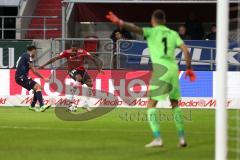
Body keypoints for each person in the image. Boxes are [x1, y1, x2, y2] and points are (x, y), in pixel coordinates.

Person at [106, 10, 196, 148]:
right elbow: (186, 50)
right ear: (164, 21)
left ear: (153, 21)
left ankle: (158, 138)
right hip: (173, 70)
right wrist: (189, 68)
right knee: (175, 104)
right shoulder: (173, 34)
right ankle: (182, 139)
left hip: (161, 70)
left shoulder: (152, 31)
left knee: (151, 105)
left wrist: (120, 22)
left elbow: (135, 28)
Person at [39, 44, 104, 112]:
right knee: (79, 78)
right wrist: (44, 65)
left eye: (75, 51)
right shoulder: (66, 52)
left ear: (77, 50)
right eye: (72, 51)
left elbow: (92, 58)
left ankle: (86, 104)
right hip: (72, 70)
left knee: (90, 83)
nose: (73, 52)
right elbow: (55, 58)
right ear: (70, 49)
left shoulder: (82, 52)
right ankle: (70, 98)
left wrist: (99, 69)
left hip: (81, 70)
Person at [15, 45, 50, 112]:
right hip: (21, 77)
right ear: (32, 50)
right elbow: (33, 70)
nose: (35, 54)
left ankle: (32, 106)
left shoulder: (24, 55)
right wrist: (44, 77)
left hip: (21, 77)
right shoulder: (29, 56)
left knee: (38, 87)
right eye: (35, 52)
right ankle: (42, 106)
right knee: (37, 87)